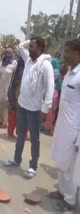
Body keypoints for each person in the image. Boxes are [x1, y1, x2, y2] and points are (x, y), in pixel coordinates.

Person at [4, 37, 54, 179]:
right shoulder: (28, 60)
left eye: (32, 46)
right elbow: (20, 46)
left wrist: (45, 109)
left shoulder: (45, 66)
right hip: (22, 105)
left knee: (34, 138)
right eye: (30, 46)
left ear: (39, 49)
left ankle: (33, 166)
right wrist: (32, 39)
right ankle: (16, 159)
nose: (29, 48)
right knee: (20, 134)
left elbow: (50, 89)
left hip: (35, 109)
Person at [49, 39, 80, 212]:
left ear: (78, 53)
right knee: (60, 160)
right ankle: (61, 192)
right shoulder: (69, 72)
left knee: (69, 166)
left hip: (74, 129)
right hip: (62, 125)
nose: (65, 55)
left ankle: (69, 200)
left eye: (68, 51)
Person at [0, 48, 17, 128]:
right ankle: (0, 121)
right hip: (0, 86)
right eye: (7, 53)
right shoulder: (1, 63)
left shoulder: (14, 64)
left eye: (9, 53)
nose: (8, 55)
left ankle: (5, 123)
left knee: (6, 105)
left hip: (8, 86)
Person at [41, 58, 62, 135]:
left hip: (54, 93)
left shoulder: (55, 72)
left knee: (50, 112)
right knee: (50, 112)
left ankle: (47, 128)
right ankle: (46, 126)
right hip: (54, 93)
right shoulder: (56, 71)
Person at [7, 56, 25, 138]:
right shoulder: (25, 67)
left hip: (13, 91)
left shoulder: (17, 65)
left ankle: (11, 131)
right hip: (20, 92)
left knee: (13, 112)